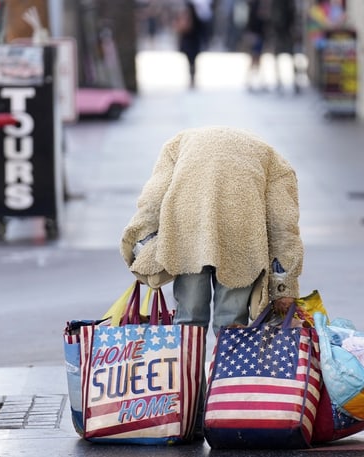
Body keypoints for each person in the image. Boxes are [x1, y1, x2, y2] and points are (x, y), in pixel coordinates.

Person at [120, 126, 304, 336]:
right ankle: (228, 367)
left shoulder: (177, 144)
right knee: (231, 322)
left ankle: (188, 367)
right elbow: (283, 225)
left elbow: (153, 199)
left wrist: (142, 249)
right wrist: (284, 286)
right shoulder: (272, 158)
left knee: (188, 320)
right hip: (241, 235)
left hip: (189, 231)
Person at [175, 1, 207, 88]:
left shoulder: (193, 17)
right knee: (192, 62)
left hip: (192, 43)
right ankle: (192, 78)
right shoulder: (189, 16)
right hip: (191, 43)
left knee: (191, 62)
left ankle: (192, 78)